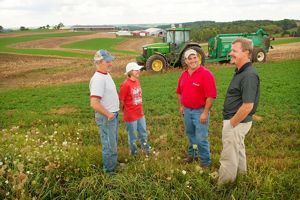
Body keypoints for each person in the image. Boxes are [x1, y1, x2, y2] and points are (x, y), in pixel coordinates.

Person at [218, 38, 260, 185]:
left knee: (228, 157)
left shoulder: (248, 75)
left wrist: (231, 124)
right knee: (238, 150)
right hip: (238, 122)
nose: (230, 53)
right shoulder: (241, 72)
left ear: (246, 53)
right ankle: (241, 179)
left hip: (237, 122)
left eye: (234, 51)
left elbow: (248, 105)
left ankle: (224, 187)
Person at [176, 49, 217, 167]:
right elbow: (179, 92)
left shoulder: (206, 74)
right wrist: (181, 106)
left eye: (195, 57)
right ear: (186, 61)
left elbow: (211, 96)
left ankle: (205, 162)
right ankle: (193, 155)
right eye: (190, 58)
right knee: (191, 135)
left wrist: (205, 112)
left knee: (201, 138)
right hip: (187, 111)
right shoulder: (183, 75)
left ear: (198, 58)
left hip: (200, 111)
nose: (193, 60)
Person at [89, 49, 119, 175]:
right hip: (107, 117)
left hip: (112, 115)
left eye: (111, 60)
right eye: (108, 61)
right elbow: (94, 103)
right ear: (99, 62)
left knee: (113, 142)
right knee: (108, 145)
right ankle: (110, 172)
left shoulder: (106, 74)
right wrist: (109, 115)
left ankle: (113, 164)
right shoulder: (98, 79)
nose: (111, 63)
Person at [119, 62, 151, 156]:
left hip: (140, 113)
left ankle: (147, 151)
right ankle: (134, 154)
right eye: (136, 70)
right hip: (130, 115)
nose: (138, 71)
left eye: (138, 69)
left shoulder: (137, 81)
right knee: (132, 137)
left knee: (143, 134)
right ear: (130, 72)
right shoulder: (125, 85)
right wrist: (127, 111)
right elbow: (122, 100)